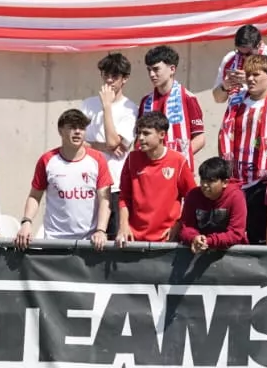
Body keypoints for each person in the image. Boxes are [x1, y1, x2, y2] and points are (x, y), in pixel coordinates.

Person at [218, 53, 267, 244]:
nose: (250, 79)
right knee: (237, 233)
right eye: (248, 75)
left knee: (263, 233)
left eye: (256, 75)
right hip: (238, 180)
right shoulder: (235, 102)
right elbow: (224, 134)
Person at [17, 109, 111, 250]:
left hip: (89, 242)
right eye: (72, 127)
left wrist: (101, 230)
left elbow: (105, 199)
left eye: (81, 128)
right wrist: (26, 222)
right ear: (61, 131)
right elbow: (34, 196)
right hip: (55, 242)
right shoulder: (47, 160)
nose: (78, 131)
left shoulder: (98, 159)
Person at [117, 111, 196, 245]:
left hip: (167, 240)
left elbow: (193, 199)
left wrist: (178, 225)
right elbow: (124, 197)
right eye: (139, 133)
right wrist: (123, 225)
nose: (140, 138)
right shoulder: (131, 160)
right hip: (134, 239)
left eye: (146, 133)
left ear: (162, 135)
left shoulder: (178, 161)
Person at [82, 51, 136, 240]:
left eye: (115, 76)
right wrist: (104, 146)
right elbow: (78, 143)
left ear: (125, 79)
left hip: (114, 184)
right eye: (106, 75)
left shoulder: (130, 108)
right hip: (87, 183)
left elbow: (115, 142)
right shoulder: (87, 104)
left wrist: (107, 107)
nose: (109, 80)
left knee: (110, 237)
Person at [139, 45, 206, 161]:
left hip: (178, 169)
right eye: (149, 70)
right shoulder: (146, 102)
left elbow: (200, 138)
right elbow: (139, 137)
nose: (151, 75)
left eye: (156, 69)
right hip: (151, 169)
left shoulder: (187, 97)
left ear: (172, 69)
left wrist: (176, 159)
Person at [179, 157, 249, 252]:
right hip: (199, 252)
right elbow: (185, 227)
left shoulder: (236, 196)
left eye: (211, 181)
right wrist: (194, 238)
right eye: (203, 180)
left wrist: (209, 241)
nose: (204, 185)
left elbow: (236, 233)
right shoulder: (193, 195)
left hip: (232, 255)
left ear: (225, 182)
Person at [211, 25, 267, 103]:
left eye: (248, 54)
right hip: (237, 113)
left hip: (266, 111)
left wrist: (249, 80)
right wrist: (224, 86)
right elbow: (218, 99)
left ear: (260, 44)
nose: (244, 57)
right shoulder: (229, 59)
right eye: (239, 52)